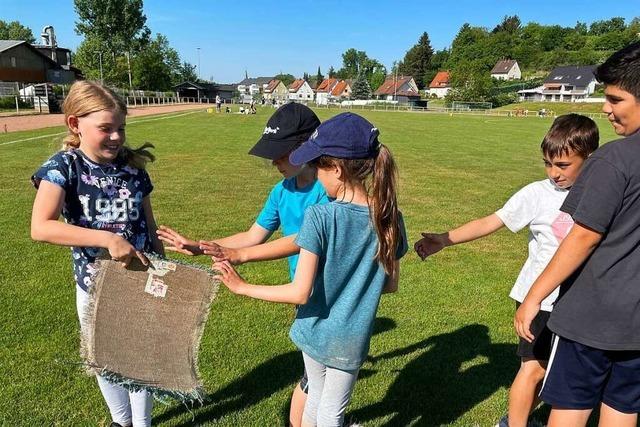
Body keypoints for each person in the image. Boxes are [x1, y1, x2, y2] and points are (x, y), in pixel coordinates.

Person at [214, 112, 408, 427]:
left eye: (318, 166)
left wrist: (242, 287)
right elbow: (390, 285)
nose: (316, 175)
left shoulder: (320, 216)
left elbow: (300, 291)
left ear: (337, 168)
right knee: (330, 410)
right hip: (350, 339)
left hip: (312, 330)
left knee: (318, 404)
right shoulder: (391, 218)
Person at [416, 114, 599, 427]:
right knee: (535, 368)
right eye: (548, 164)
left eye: (563, 166)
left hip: (578, 302)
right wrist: (445, 240)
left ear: (589, 158)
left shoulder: (600, 191)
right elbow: (492, 221)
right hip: (539, 299)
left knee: (559, 371)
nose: (554, 173)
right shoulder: (536, 194)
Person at [156, 102, 328, 427]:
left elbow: (303, 239)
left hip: (333, 290)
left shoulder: (329, 188)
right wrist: (201, 247)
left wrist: (240, 256)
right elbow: (253, 235)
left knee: (319, 375)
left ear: (307, 147)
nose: (273, 161)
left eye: (280, 153)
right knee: (316, 376)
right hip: (302, 293)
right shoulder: (281, 191)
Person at [514, 41, 640, 427]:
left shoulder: (613, 160)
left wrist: (534, 295)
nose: (606, 108)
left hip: (592, 318)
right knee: (623, 410)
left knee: (570, 407)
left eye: (616, 99)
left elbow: (582, 236)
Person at [30, 80, 164, 427]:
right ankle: (121, 421)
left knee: (139, 357)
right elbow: (41, 226)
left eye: (121, 128)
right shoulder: (64, 167)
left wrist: (162, 265)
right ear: (75, 124)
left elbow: (148, 223)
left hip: (139, 280)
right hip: (93, 286)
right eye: (106, 128)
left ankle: (143, 423)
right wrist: (106, 239)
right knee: (103, 357)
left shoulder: (133, 168)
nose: (117, 137)